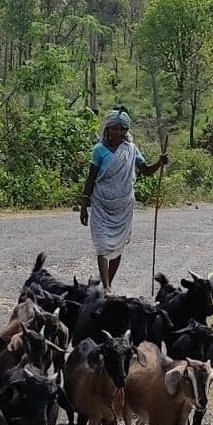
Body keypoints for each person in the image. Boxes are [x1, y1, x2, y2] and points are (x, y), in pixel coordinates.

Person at [78, 108, 168, 291]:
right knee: (102, 246)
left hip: (123, 207)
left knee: (118, 246)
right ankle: (106, 286)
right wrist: (84, 204)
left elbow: (146, 171)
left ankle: (107, 285)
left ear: (126, 131)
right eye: (114, 128)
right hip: (102, 204)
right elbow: (91, 178)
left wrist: (160, 162)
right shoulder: (99, 151)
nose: (117, 132)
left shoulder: (131, 150)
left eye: (121, 129)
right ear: (107, 130)